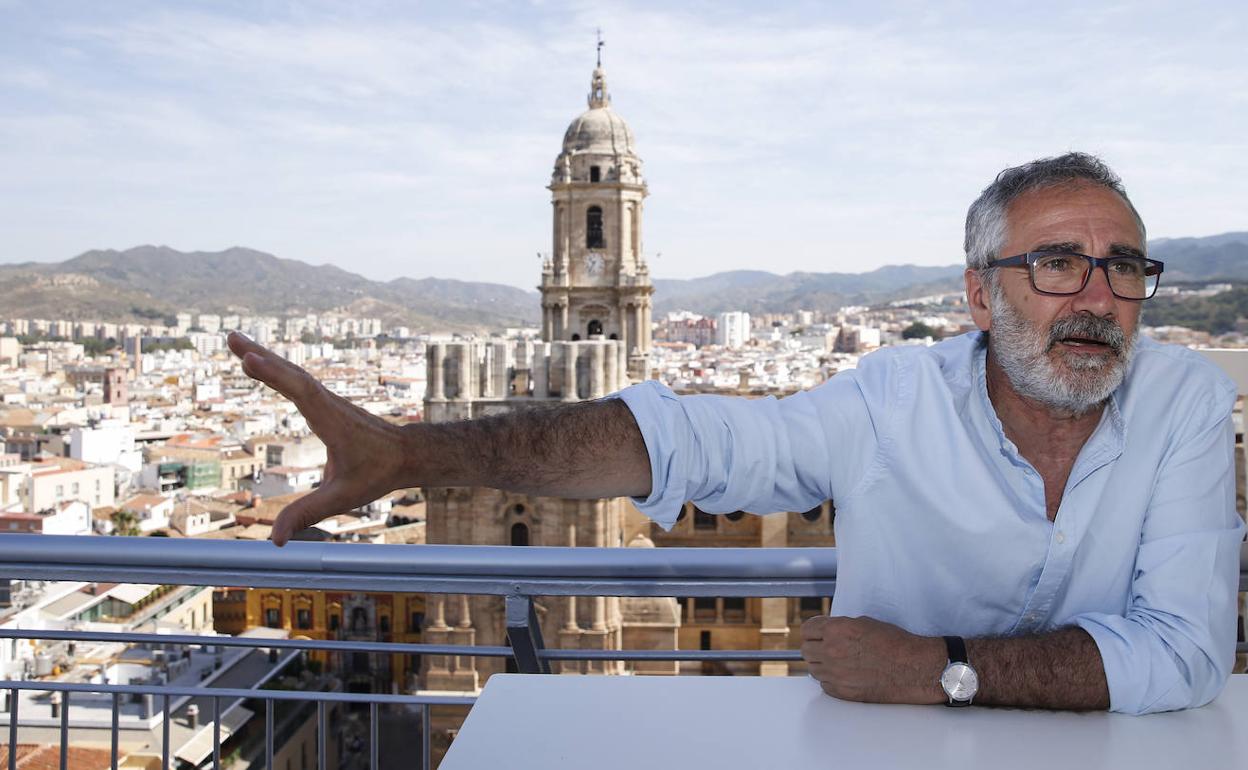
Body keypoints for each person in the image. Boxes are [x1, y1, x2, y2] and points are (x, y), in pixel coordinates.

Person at [227, 152, 1243, 716]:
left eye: (1125, 268)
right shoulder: (889, 401)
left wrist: (939, 665)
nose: (1098, 297)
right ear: (980, 294)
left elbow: (1189, 651)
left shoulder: (1187, 405)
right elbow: (681, 441)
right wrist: (413, 454)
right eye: (1058, 264)